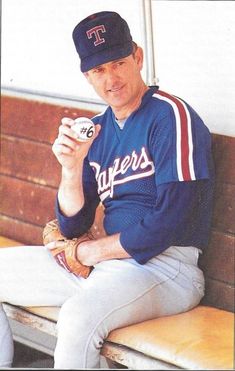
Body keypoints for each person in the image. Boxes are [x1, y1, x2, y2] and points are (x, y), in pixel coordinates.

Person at [0, 10, 215, 369]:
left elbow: (172, 222)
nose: (111, 79)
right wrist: (71, 169)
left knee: (77, 317)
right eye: (99, 70)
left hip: (166, 269)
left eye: (118, 62)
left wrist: (89, 254)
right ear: (87, 75)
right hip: (109, 268)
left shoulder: (171, 116)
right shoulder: (97, 130)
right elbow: (72, 226)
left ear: (138, 57)